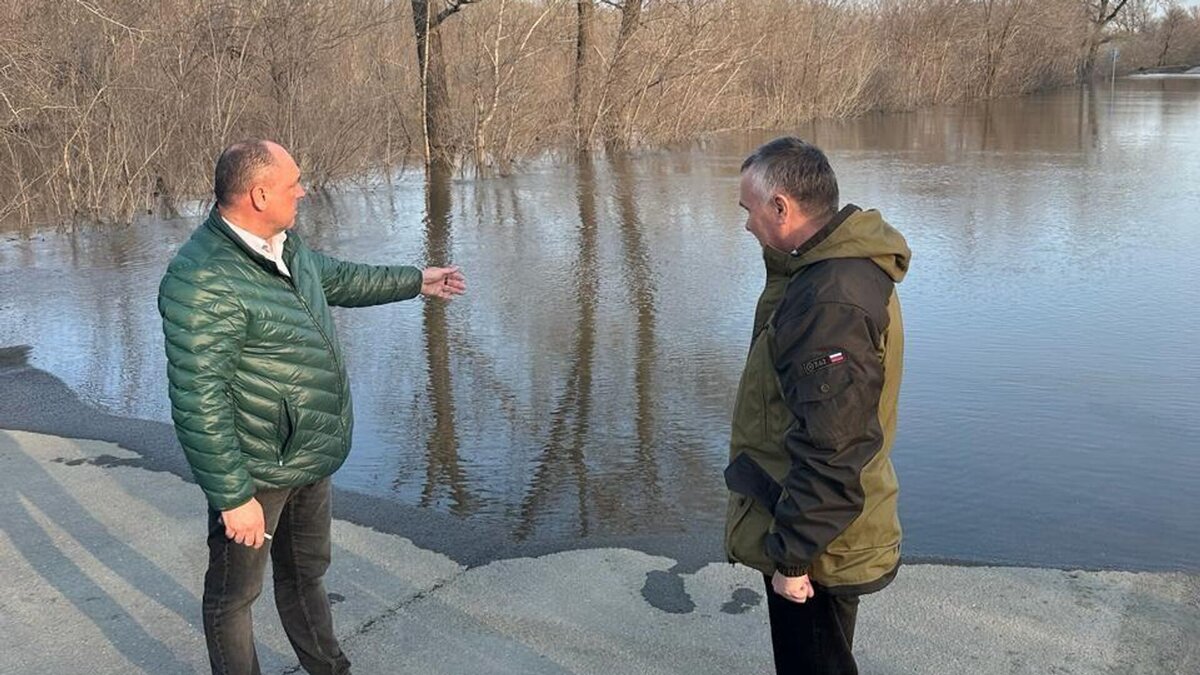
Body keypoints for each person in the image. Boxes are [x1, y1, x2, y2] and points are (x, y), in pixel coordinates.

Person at [158, 140, 465, 675]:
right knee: (234, 597)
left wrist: (418, 280)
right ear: (259, 195)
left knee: (305, 576)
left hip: (307, 450)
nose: (303, 191)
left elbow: (340, 278)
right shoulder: (202, 278)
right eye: (293, 183)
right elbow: (197, 398)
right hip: (256, 468)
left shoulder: (283, 246)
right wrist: (233, 496)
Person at [723, 137, 910, 674]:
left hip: (820, 540)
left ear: (781, 207)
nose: (747, 224)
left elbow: (835, 444)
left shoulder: (829, 301)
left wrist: (793, 557)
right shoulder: (828, 272)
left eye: (749, 209)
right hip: (819, 523)